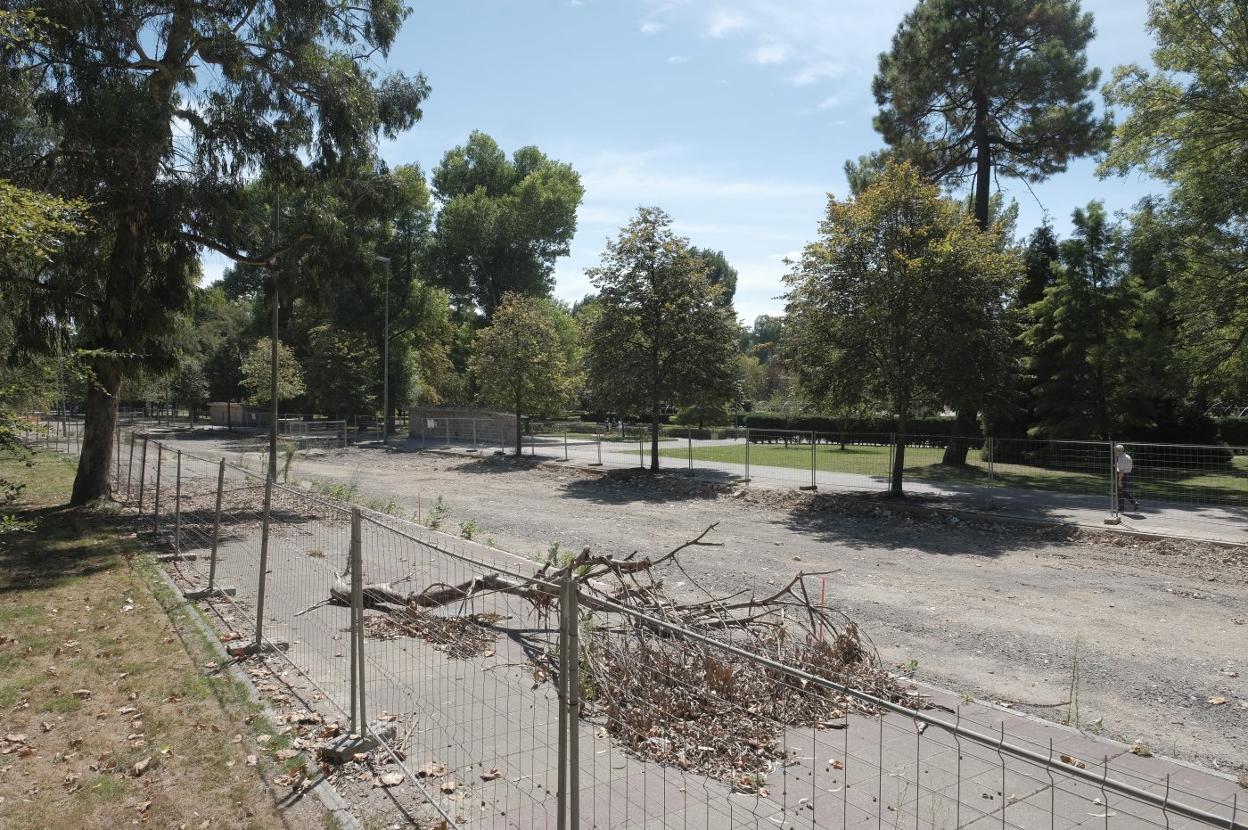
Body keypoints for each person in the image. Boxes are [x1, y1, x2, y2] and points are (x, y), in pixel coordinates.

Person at [1115, 443, 1139, 512]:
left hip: (1123, 476)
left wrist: (1119, 481)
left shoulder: (1121, 458)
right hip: (1129, 474)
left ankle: (1121, 508)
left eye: (1116, 450)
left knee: (1120, 492)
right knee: (1124, 492)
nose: (1115, 452)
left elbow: (1121, 471)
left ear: (1119, 451)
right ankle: (1134, 503)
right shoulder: (1127, 456)